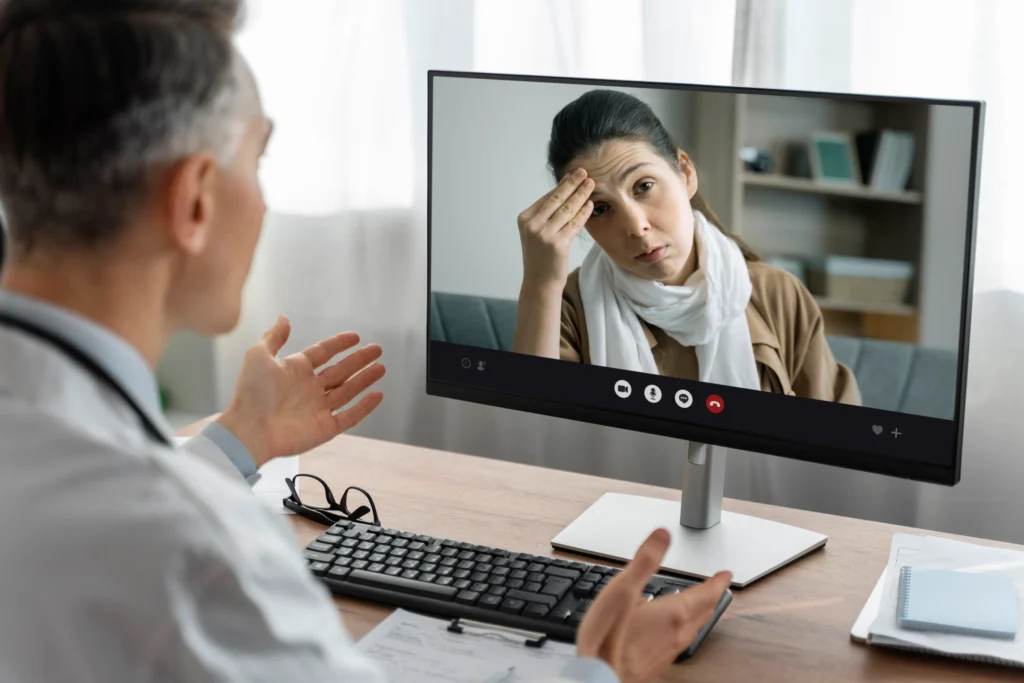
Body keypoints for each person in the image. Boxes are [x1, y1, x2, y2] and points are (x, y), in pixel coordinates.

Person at [0, 3, 732, 682]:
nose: (263, 199)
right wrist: (601, 669)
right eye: (257, 162)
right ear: (194, 200)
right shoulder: (199, 556)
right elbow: (146, 534)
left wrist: (233, 444)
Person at [513, 89, 860, 404]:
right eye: (601, 209)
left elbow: (843, 446)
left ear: (685, 172)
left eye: (644, 186)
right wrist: (540, 284)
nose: (636, 227)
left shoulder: (777, 296)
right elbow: (531, 437)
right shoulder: (569, 307)